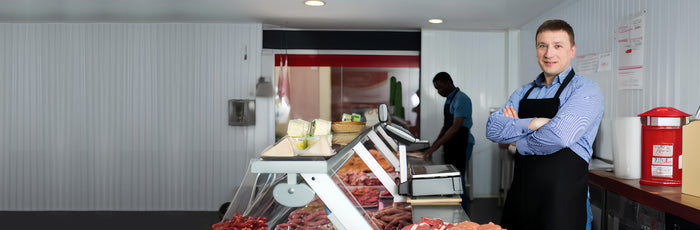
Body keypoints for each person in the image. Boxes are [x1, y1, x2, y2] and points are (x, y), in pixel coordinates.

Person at [486, 19, 603, 230]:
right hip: (521, 200)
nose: (549, 53)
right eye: (543, 45)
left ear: (572, 50)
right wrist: (535, 122)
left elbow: (560, 136)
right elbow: (492, 128)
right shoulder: (524, 91)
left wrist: (517, 141)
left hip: (564, 204)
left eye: (558, 46)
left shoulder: (586, 90)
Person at [423, 72, 475, 214]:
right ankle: (453, 209)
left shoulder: (461, 99)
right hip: (452, 142)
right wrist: (435, 142)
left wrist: (435, 146)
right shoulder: (449, 100)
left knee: (458, 177)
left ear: (449, 83)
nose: (439, 91)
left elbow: (455, 128)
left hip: (462, 142)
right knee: (451, 176)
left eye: (440, 87)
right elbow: (446, 125)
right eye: (436, 89)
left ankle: (463, 212)